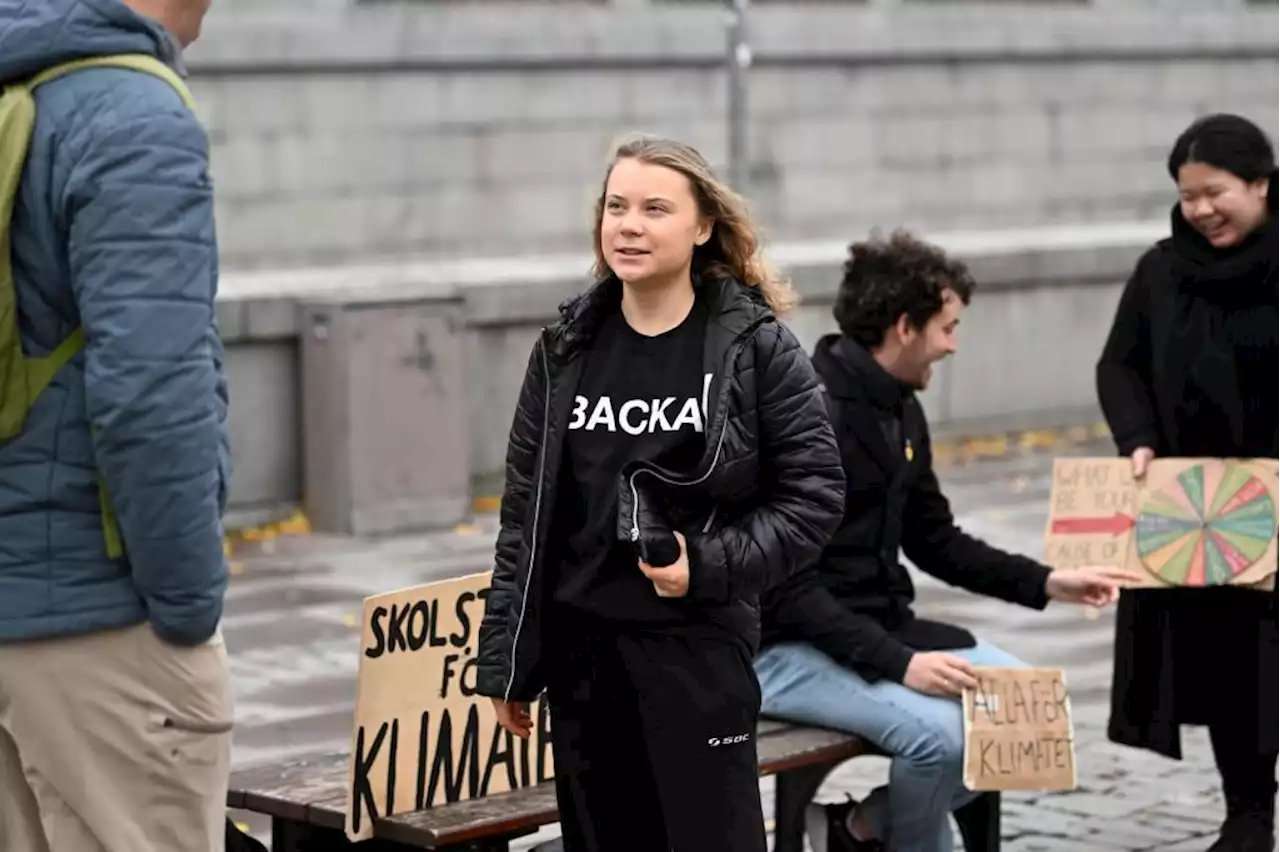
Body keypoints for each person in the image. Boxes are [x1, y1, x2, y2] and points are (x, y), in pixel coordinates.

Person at [475, 133, 846, 852]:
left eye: (653, 208)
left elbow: (814, 496)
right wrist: (508, 662)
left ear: (703, 226)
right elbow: (525, 517)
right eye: (616, 207)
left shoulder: (754, 346)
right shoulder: (564, 349)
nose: (629, 225)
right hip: (585, 659)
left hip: (696, 651)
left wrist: (704, 565)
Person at [755, 230, 1140, 852]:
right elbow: (789, 591)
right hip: (787, 651)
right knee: (941, 739)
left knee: (1032, 706)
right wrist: (901, 664)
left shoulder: (900, 406)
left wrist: (1046, 581)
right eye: (948, 327)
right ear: (906, 326)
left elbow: (934, 539)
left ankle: (854, 832)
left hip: (876, 628)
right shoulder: (810, 414)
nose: (954, 346)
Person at [0, 1, 233, 851]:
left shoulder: (18, 79)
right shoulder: (130, 113)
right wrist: (185, 605)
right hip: (100, 622)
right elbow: (151, 394)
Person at [1096, 113, 1280, 852]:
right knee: (1230, 665)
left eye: (1217, 192)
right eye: (1188, 194)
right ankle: (1248, 816)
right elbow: (1119, 366)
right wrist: (1137, 438)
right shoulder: (1162, 270)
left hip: (1278, 492)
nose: (1201, 208)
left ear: (1261, 184)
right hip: (1196, 508)